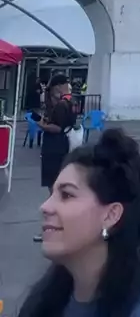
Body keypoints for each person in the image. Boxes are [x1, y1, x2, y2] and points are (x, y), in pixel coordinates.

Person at [18, 128, 140, 317]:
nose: (45, 207)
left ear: (110, 215)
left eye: (66, 195)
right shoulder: (48, 298)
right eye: (52, 194)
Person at [33, 74, 76, 242]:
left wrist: (42, 125)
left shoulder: (61, 105)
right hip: (63, 147)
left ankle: (54, 227)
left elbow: (56, 128)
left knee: (54, 190)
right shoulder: (70, 102)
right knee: (59, 188)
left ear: (57, 86)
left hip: (54, 148)